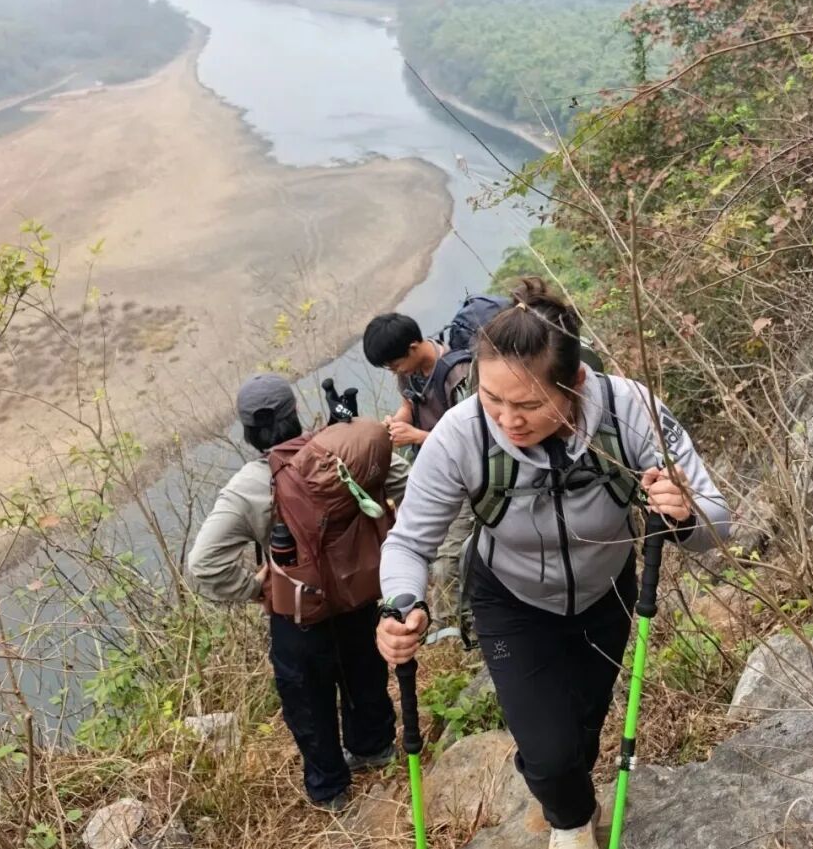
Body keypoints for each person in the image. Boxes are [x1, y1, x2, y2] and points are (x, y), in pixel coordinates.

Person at [375, 279, 732, 849]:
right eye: (491, 398)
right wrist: (402, 602)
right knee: (549, 752)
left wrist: (684, 511)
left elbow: (718, 522)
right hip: (510, 599)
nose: (506, 419)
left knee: (582, 730)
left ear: (575, 383)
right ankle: (570, 823)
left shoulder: (630, 410)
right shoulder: (460, 435)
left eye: (528, 404)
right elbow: (408, 544)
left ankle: (565, 791)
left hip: (606, 591)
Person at [187, 373, 410, 812]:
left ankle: (330, 789)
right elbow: (406, 480)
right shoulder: (343, 450)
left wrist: (255, 587)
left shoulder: (249, 486)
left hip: (299, 613)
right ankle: (374, 748)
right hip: (360, 593)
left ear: (249, 432)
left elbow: (204, 563)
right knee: (365, 671)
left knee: (307, 699)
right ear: (295, 413)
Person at [362, 311, 475, 609]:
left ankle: (451, 622)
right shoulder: (409, 373)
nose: (394, 372)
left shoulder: (458, 374)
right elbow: (408, 406)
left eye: (394, 365)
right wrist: (394, 424)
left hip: (462, 476)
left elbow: (472, 439)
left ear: (413, 348)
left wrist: (416, 436)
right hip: (433, 471)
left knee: (447, 561)